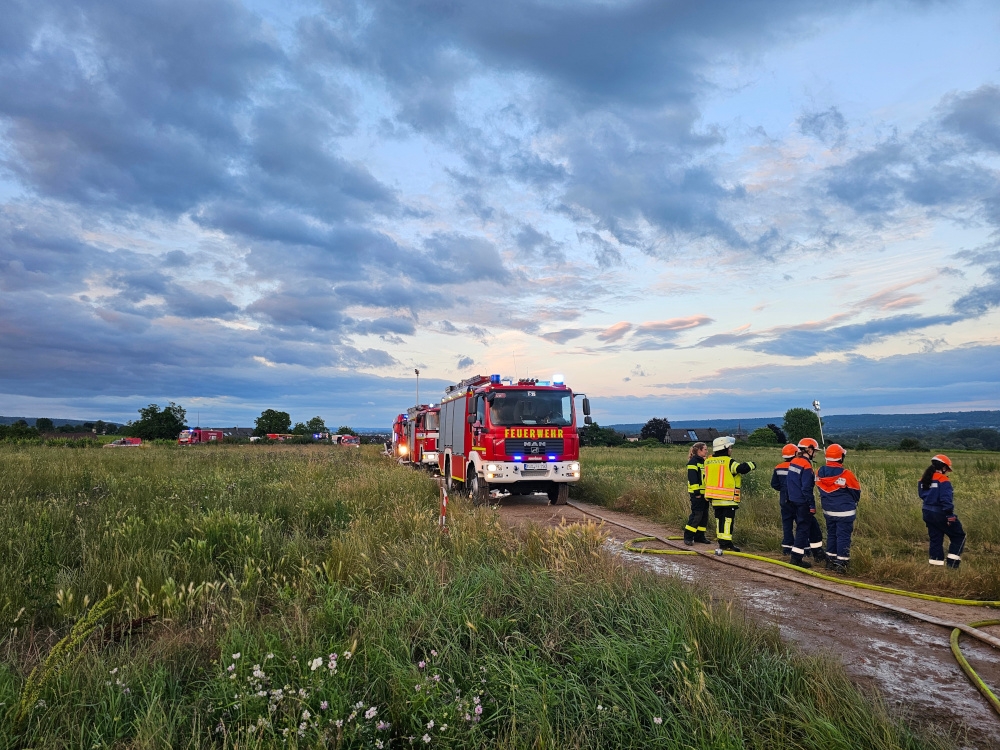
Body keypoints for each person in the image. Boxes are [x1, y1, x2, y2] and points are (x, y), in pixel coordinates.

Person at [704, 436, 756, 551]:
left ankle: (722, 541)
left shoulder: (708, 461)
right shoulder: (728, 461)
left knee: (719, 520)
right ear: (725, 448)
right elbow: (741, 469)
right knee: (728, 521)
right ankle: (727, 543)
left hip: (714, 498)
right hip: (727, 498)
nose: (731, 450)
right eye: (730, 447)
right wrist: (752, 464)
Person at [816, 444, 861, 573]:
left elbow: (819, 486)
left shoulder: (819, 471)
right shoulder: (847, 474)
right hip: (845, 512)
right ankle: (842, 563)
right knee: (843, 536)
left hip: (828, 511)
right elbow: (856, 492)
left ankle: (830, 561)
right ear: (841, 457)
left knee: (832, 534)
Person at [785, 437, 827, 568]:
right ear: (809, 449)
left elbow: (789, 483)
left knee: (813, 527)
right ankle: (796, 558)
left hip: (793, 501)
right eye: (815, 451)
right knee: (803, 529)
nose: (816, 453)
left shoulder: (794, 462)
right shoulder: (806, 466)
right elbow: (806, 488)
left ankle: (818, 553)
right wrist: (812, 506)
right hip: (803, 502)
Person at [918, 454, 966, 569]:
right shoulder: (943, 480)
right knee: (959, 536)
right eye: (947, 469)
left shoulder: (922, 479)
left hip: (927, 512)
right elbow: (946, 500)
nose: (947, 472)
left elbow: (921, 495)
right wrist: (950, 516)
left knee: (935, 539)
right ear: (943, 467)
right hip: (941, 513)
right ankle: (952, 566)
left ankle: (936, 566)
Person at [770, 443, 798, 555]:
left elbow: (774, 484)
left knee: (787, 524)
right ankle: (804, 548)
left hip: (784, 500)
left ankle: (787, 548)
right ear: (795, 454)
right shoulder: (798, 467)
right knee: (801, 524)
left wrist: (783, 490)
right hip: (797, 500)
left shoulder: (778, 467)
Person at [683, 442, 709, 545]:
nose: (707, 451)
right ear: (699, 450)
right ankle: (688, 536)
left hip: (705, 494)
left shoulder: (704, 462)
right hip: (697, 494)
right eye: (705, 449)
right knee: (697, 515)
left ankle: (700, 536)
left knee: (704, 516)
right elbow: (693, 479)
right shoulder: (693, 463)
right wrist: (697, 493)